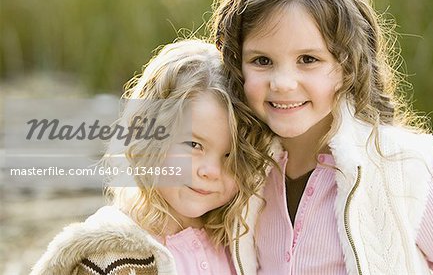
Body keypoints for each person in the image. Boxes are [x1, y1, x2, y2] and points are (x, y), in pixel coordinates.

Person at [209, 0, 433, 274]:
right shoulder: (241, 173)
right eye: (262, 60)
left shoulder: (397, 171)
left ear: (347, 66)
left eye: (308, 59)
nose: (283, 83)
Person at [30, 39, 271, 275]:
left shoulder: (238, 241)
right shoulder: (111, 254)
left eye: (231, 156)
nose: (211, 171)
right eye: (194, 144)